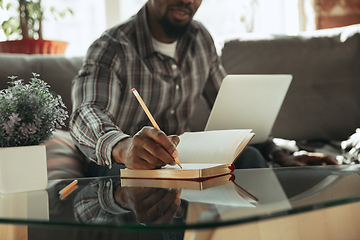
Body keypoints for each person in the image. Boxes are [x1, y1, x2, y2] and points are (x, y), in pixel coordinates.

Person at [69, 0, 337, 176]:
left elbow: (233, 114)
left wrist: (281, 155)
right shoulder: (112, 47)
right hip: (122, 165)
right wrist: (123, 146)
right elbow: (86, 113)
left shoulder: (200, 40)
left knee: (252, 158)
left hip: (180, 161)